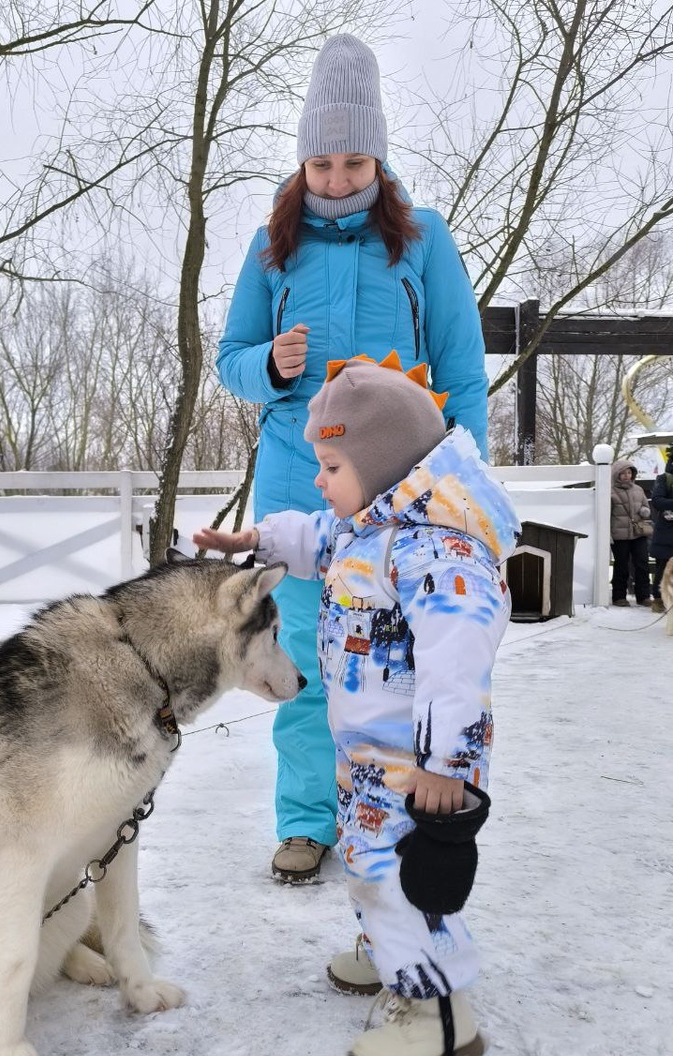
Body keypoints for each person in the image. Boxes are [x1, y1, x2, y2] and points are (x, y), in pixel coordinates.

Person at [194, 355, 519, 1056]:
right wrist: (255, 543)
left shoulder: (439, 548)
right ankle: (386, 946)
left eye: (332, 463)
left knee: (401, 871)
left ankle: (437, 1007)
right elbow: (315, 536)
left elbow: (457, 663)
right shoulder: (369, 526)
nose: (320, 479)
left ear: (380, 465)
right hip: (369, 751)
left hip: (418, 764)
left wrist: (447, 766)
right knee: (372, 864)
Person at [216, 34, 489, 883]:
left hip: (405, 493)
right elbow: (229, 357)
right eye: (322, 164)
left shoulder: (424, 242)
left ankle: (400, 806)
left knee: (394, 660)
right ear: (302, 163)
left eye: (352, 161)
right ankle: (306, 820)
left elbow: (464, 372)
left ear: (378, 156)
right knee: (302, 652)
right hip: (302, 480)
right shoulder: (273, 248)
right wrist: (269, 365)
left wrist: (466, 492)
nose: (336, 180)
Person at [609, 459, 652, 607]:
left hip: (638, 533)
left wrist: (644, 511)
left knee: (642, 564)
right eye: (623, 473)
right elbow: (606, 514)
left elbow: (646, 507)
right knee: (621, 565)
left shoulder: (638, 490)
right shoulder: (610, 491)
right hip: (619, 535)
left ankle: (644, 596)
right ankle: (619, 596)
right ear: (617, 475)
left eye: (629, 472)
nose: (627, 476)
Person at [649, 447, 673, 613]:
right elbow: (657, 500)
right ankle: (659, 600)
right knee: (663, 566)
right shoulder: (665, 479)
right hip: (667, 532)